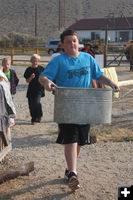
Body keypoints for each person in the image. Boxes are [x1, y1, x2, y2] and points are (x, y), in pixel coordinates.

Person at [39, 29, 119, 191]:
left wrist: (111, 82)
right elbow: (44, 77)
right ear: (62, 45)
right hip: (67, 107)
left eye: (74, 41)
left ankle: (69, 170)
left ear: (78, 42)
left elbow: (98, 75)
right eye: (68, 41)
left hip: (85, 107)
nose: (72, 44)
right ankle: (73, 174)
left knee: (80, 141)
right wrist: (47, 83)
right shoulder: (59, 61)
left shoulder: (87, 58)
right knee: (71, 139)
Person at [24, 54, 45, 125]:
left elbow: (45, 78)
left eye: (36, 61)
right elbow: (27, 81)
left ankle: (38, 117)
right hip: (31, 89)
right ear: (30, 61)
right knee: (31, 104)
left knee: (36, 102)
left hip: (39, 89)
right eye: (33, 60)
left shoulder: (41, 69)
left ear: (38, 61)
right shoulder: (28, 69)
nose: (34, 62)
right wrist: (30, 77)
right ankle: (33, 117)